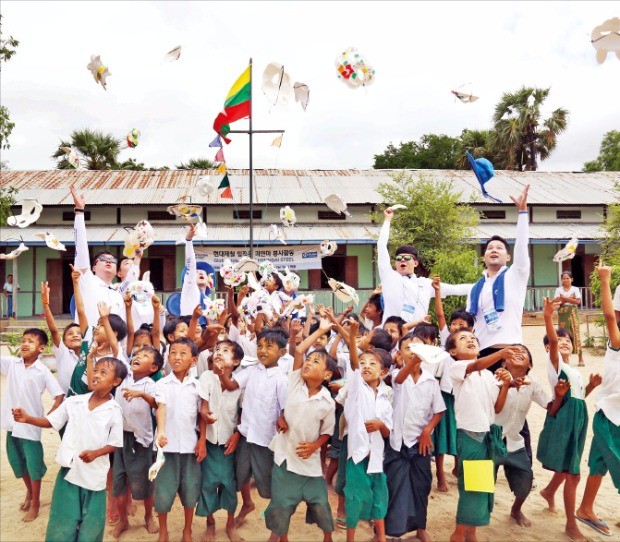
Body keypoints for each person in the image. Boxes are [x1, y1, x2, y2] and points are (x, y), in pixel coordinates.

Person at [12, 355, 127, 542]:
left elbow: (115, 443)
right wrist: (28, 418)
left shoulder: (114, 411)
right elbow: (52, 421)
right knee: (62, 521)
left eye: (103, 372)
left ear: (115, 381)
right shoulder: (74, 402)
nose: (96, 375)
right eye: (95, 371)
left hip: (94, 476)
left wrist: (96, 453)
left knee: (91, 525)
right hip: (69, 471)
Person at [265, 319, 337, 542]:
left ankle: (328, 537)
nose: (308, 362)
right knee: (281, 504)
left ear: (327, 376)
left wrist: (316, 445)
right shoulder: (296, 382)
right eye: (309, 360)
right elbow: (300, 349)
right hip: (285, 458)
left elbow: (327, 433)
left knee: (320, 504)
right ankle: (281, 537)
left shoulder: (327, 402)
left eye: (316, 362)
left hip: (310, 462)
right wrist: (322, 331)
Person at [537, 297, 601, 542]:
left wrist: (592, 386)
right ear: (549, 348)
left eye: (569, 340)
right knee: (573, 473)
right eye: (560, 340)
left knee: (568, 464)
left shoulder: (573, 370)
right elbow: (553, 340)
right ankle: (571, 525)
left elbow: (579, 395)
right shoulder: (556, 364)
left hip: (577, 418)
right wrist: (547, 316)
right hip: (564, 419)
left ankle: (548, 490)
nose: (564, 342)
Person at [447, 331, 517, 542]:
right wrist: (501, 353)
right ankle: (458, 535)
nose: (470, 340)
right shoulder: (458, 368)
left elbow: (497, 407)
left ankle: (470, 534)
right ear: (452, 351)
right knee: (471, 487)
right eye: (463, 339)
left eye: (473, 338)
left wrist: (505, 385)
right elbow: (475, 365)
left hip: (485, 436)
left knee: (480, 487)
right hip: (470, 436)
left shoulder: (487, 375)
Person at [216, 327, 289, 525]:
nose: (262, 350)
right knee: (239, 475)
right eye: (260, 345)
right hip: (246, 435)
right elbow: (231, 385)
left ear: (282, 352)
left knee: (268, 484)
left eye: (269, 346)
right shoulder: (252, 370)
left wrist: (282, 417)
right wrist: (222, 372)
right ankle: (247, 504)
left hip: (266, 440)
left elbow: (286, 408)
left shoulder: (282, 379)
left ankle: (277, 525)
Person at [385, 332, 445, 541]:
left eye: (419, 348)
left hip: (420, 443)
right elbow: (401, 379)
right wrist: (414, 361)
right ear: (399, 354)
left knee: (422, 486)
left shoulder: (430, 381)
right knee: (393, 486)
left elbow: (439, 411)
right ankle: (386, 531)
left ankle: (420, 527)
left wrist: (427, 431)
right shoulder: (395, 375)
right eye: (408, 348)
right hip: (396, 442)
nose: (413, 352)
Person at [494, 344, 562, 527]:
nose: (518, 353)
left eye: (523, 352)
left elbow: (551, 408)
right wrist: (506, 385)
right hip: (490, 440)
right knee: (481, 484)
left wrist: (560, 396)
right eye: (513, 352)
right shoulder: (494, 380)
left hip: (515, 441)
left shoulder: (533, 384)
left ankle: (516, 510)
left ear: (530, 365)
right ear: (503, 362)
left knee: (525, 481)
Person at [1, 328, 64, 522]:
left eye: (31, 341)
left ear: (42, 348)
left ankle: (36, 503)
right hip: (11, 425)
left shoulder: (43, 371)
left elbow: (59, 395)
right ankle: (29, 492)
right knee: (18, 463)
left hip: (30, 426)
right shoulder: (12, 364)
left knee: (34, 465)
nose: (25, 343)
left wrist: (53, 411)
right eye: (23, 340)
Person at [575, 261, 620, 537]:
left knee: (599, 464)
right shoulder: (618, 341)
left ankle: (585, 508)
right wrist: (604, 280)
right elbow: (609, 316)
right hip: (610, 416)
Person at [343, 319, 393, 542]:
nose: (366, 366)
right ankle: (350, 538)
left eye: (372, 364)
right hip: (357, 455)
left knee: (379, 498)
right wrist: (353, 338)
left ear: (383, 372)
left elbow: (388, 433)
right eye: (363, 363)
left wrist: (381, 425)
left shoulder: (385, 397)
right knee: (354, 498)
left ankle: (380, 537)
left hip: (377, 458)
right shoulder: (357, 389)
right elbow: (354, 364)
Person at [377, 207, 470, 324]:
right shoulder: (389, 277)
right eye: (399, 259)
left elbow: (456, 289)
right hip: (392, 336)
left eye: (407, 258)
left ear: (416, 263)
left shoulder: (426, 283)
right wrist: (387, 220)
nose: (402, 261)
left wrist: (485, 285)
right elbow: (381, 245)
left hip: (417, 337)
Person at [154, 337, 207, 542]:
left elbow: (202, 415)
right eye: (173, 353)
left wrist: (202, 441)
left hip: (190, 447)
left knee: (190, 490)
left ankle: (187, 529)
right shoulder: (162, 384)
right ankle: (163, 531)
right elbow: (161, 408)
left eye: (183, 353)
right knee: (163, 492)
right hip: (166, 447)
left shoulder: (198, 385)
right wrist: (161, 432)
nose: (177, 357)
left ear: (194, 360)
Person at [111, 346, 163, 538]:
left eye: (146, 356)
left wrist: (141, 395)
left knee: (145, 482)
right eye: (137, 354)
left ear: (154, 367)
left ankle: (149, 516)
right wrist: (106, 320)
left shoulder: (150, 384)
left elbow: (159, 405)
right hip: (120, 437)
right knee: (119, 481)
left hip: (141, 441)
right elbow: (116, 347)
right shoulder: (124, 377)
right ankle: (123, 521)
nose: (138, 356)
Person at [196, 340, 244, 542]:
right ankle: (210, 523)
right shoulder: (207, 377)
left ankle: (230, 524)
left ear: (236, 361)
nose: (219, 352)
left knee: (228, 484)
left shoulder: (240, 384)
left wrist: (237, 435)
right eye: (217, 349)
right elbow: (203, 408)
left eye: (225, 351)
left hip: (228, 443)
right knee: (207, 484)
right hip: (208, 442)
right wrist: (201, 439)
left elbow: (243, 413)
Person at [71, 185, 125, 337]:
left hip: (111, 352)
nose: (108, 261)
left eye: (112, 260)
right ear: (93, 267)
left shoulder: (117, 294)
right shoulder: (87, 280)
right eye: (102, 259)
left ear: (117, 271)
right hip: (87, 347)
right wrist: (80, 212)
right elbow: (80, 247)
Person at [41, 266, 88, 394]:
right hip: (66, 403)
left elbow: (81, 311)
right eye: (70, 334)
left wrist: (76, 283)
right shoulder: (63, 353)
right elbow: (54, 331)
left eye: (79, 333)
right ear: (64, 341)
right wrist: (46, 305)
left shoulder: (88, 353)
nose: (75, 335)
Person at [554, 271, 584, 366]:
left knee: (576, 334)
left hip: (573, 313)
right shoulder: (558, 290)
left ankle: (580, 358)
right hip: (562, 314)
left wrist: (565, 298)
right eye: (564, 278)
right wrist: (570, 299)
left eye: (568, 278)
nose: (566, 280)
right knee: (563, 335)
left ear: (572, 279)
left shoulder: (575, 289)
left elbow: (577, 302)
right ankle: (564, 358)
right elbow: (558, 302)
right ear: (561, 280)